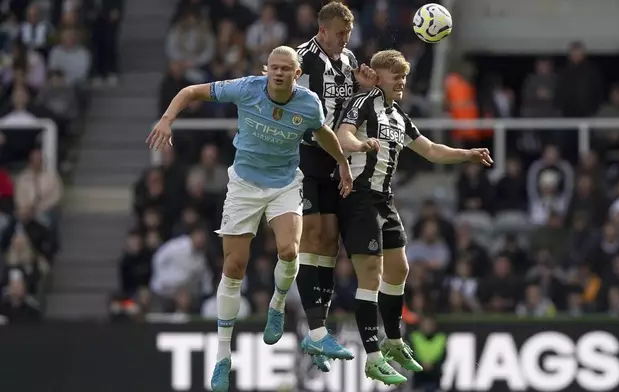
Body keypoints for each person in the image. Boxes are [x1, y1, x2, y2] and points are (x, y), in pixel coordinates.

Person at [146, 45, 372, 392]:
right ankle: (223, 357)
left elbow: (321, 130)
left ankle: (277, 306)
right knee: (234, 268)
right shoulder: (246, 88)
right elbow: (191, 91)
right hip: (244, 186)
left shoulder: (308, 102)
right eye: (274, 67)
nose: (279, 73)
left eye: (286, 68)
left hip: (284, 184)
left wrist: (342, 161)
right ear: (266, 69)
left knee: (290, 251)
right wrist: (166, 119)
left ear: (296, 74)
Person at [332, 49, 493, 385]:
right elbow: (343, 133)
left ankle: (393, 340)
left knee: (400, 268)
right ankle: (373, 356)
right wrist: (359, 146)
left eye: (404, 76)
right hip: (359, 197)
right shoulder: (365, 103)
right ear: (378, 78)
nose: (402, 81)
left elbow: (430, 149)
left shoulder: (399, 116)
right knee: (371, 274)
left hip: (384, 199)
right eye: (396, 76)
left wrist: (466, 154)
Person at [294, 1, 378, 373]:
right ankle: (314, 329)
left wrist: (364, 87)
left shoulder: (348, 59)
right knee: (312, 235)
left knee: (329, 241)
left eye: (349, 33)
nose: (346, 39)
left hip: (337, 157)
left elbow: (351, 108)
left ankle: (319, 332)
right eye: (340, 33)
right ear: (323, 31)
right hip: (306, 156)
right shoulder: (303, 58)